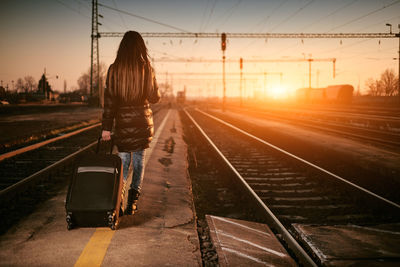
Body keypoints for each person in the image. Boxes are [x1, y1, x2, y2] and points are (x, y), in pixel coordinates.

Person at [101, 31, 161, 215]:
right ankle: (132, 203)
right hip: (142, 123)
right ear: (141, 47)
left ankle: (118, 200)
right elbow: (154, 97)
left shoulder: (114, 69)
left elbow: (109, 103)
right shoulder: (147, 68)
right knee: (139, 162)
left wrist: (106, 129)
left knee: (124, 161)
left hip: (123, 124)